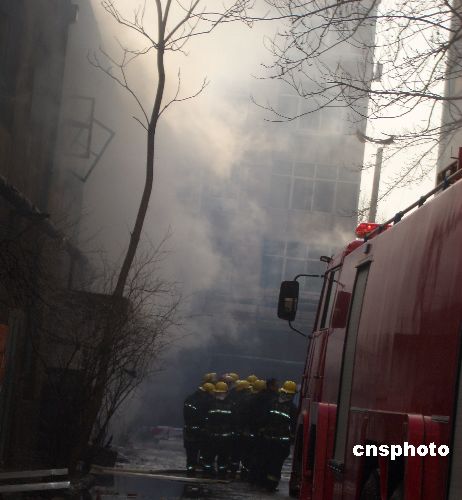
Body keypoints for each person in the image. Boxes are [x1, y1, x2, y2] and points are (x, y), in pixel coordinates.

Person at [260, 380, 298, 491]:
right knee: (276, 465)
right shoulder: (292, 408)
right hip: (281, 443)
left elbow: (263, 419)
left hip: (268, 439)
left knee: (266, 461)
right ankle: (270, 486)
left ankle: (264, 483)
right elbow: (294, 425)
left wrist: (262, 430)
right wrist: (292, 437)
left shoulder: (272, 403)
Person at [202, 381, 235, 477]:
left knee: (210, 457)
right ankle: (221, 474)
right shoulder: (231, 404)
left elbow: (204, 418)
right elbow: (234, 420)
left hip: (213, 437)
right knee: (222, 458)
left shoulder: (209, 403)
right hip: (223, 438)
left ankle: (208, 473)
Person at [183, 381, 215, 475]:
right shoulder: (206, 401)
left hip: (189, 430)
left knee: (191, 453)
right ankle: (207, 472)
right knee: (206, 453)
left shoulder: (190, 398)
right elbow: (205, 417)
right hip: (202, 431)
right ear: (208, 391)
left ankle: (190, 471)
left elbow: (186, 415)